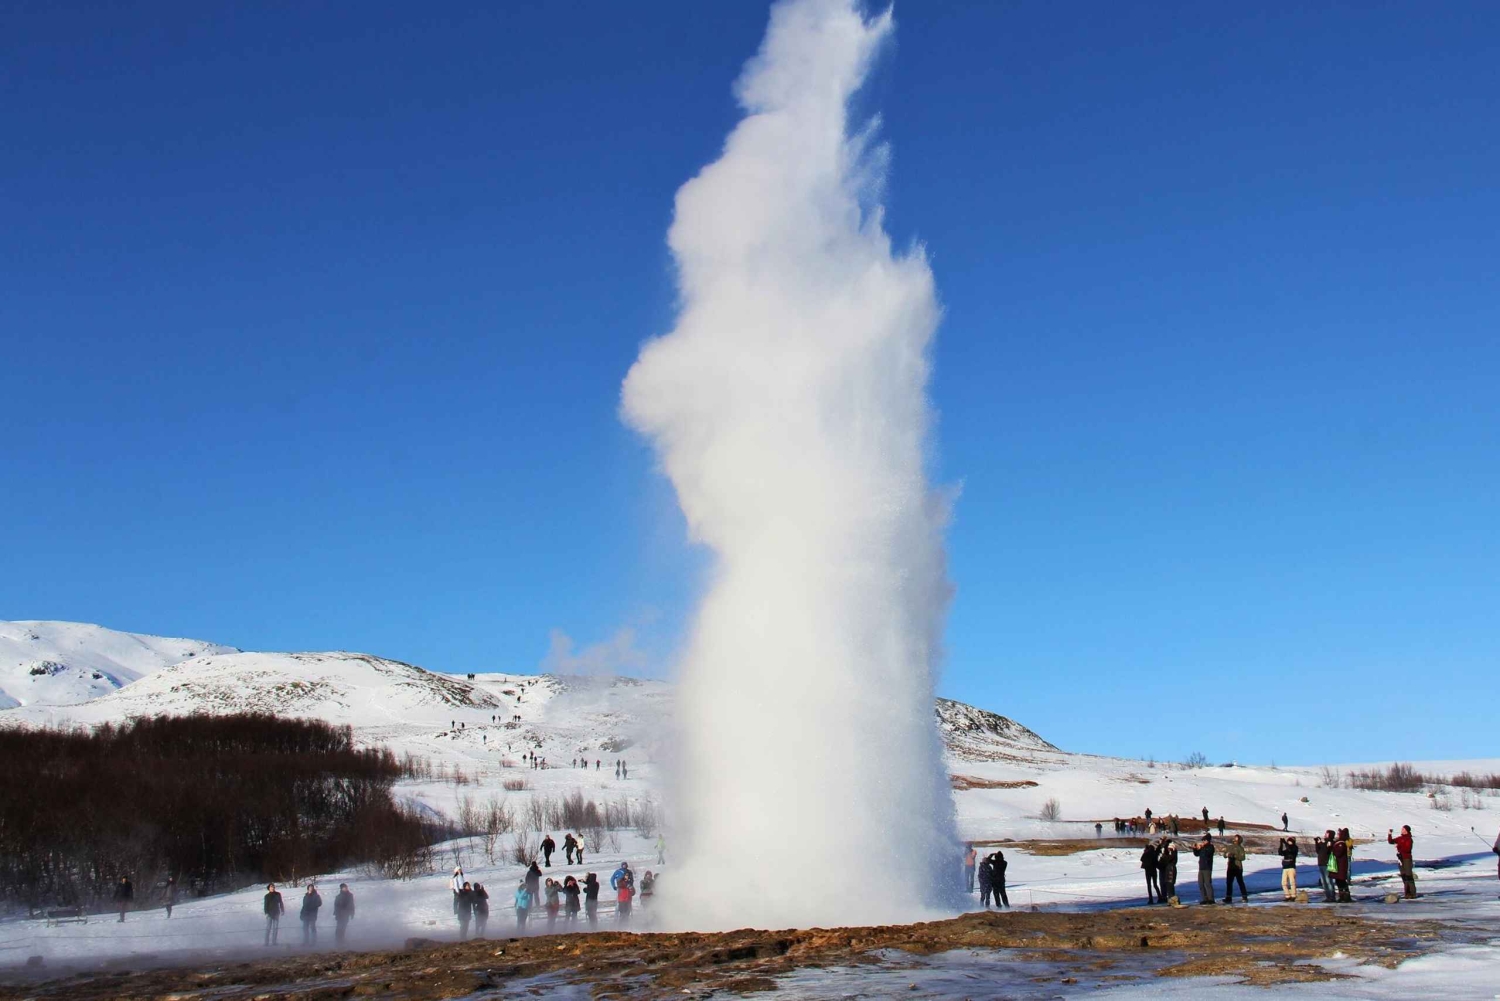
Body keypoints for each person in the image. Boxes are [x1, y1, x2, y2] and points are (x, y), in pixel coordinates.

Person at [1388, 825, 1416, 899]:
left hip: (1407, 859)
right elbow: (1391, 841)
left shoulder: (1409, 839)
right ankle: (1407, 893)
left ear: (1406, 830)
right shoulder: (1400, 838)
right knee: (1404, 876)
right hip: (1400, 859)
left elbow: (1407, 849)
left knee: (1408, 876)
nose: (1401, 830)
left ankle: (1413, 893)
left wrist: (1398, 846)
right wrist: (1389, 834)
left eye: (1403, 829)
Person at [1192, 833, 1216, 904]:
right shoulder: (1203, 847)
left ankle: (1211, 899)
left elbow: (1208, 853)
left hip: (1207, 867)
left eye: (1204, 841)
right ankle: (1204, 898)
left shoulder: (1211, 847)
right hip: (1201, 867)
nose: (1203, 842)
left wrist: (1203, 847)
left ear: (1208, 841)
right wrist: (1195, 849)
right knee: (1201, 884)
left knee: (1207, 883)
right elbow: (1197, 854)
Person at [1223, 834, 1248, 903]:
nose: (1234, 839)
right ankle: (1228, 897)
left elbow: (1243, 858)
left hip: (1238, 867)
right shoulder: (1229, 847)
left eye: (1236, 838)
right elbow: (1224, 855)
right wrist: (1227, 854)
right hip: (1230, 867)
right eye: (1234, 838)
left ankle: (1244, 896)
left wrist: (1235, 856)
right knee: (1229, 883)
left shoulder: (1240, 848)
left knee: (1240, 882)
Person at [1315, 831, 1336, 902]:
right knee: (1324, 882)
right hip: (1321, 864)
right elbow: (1318, 851)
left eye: (1326, 834)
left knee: (1328, 881)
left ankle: (1332, 896)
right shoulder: (1324, 843)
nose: (1325, 835)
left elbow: (1326, 850)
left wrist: (1321, 843)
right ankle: (1328, 896)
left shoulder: (1330, 842)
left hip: (1327, 864)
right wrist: (1317, 843)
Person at [1332, 828, 1352, 902]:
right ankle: (1342, 895)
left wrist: (1332, 850)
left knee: (1341, 881)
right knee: (1339, 881)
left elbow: (1338, 853)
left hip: (1341, 865)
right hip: (1338, 864)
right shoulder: (1339, 842)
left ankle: (1345, 896)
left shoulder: (1341, 843)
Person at [1278, 836, 1299, 901]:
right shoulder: (1287, 849)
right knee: (1283, 883)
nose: (1289, 842)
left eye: (1290, 841)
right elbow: (1280, 852)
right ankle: (1287, 896)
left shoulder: (1295, 848)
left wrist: (1285, 843)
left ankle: (1293, 895)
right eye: (1288, 841)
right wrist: (1281, 843)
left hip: (1291, 867)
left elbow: (1290, 850)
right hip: (1285, 867)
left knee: (1292, 882)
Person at [1140, 840, 1160, 904]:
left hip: (1148, 870)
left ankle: (1150, 899)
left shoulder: (1147, 853)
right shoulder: (1154, 854)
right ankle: (1160, 897)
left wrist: (1145, 851)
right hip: (1154, 870)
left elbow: (1142, 859)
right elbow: (1158, 851)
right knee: (1155, 884)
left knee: (1149, 885)